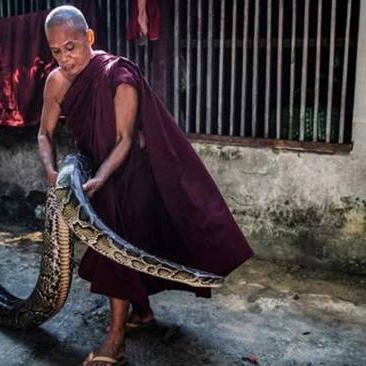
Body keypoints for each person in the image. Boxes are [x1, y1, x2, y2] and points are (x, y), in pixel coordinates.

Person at [37, 5, 254, 366]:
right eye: (56, 51)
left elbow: (124, 140)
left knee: (115, 247)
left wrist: (101, 178)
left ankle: (116, 339)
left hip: (129, 173)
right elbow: (44, 133)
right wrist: (49, 169)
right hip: (91, 171)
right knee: (122, 246)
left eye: (71, 47)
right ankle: (142, 313)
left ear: (89, 38)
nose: (66, 58)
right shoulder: (56, 82)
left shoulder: (116, 75)